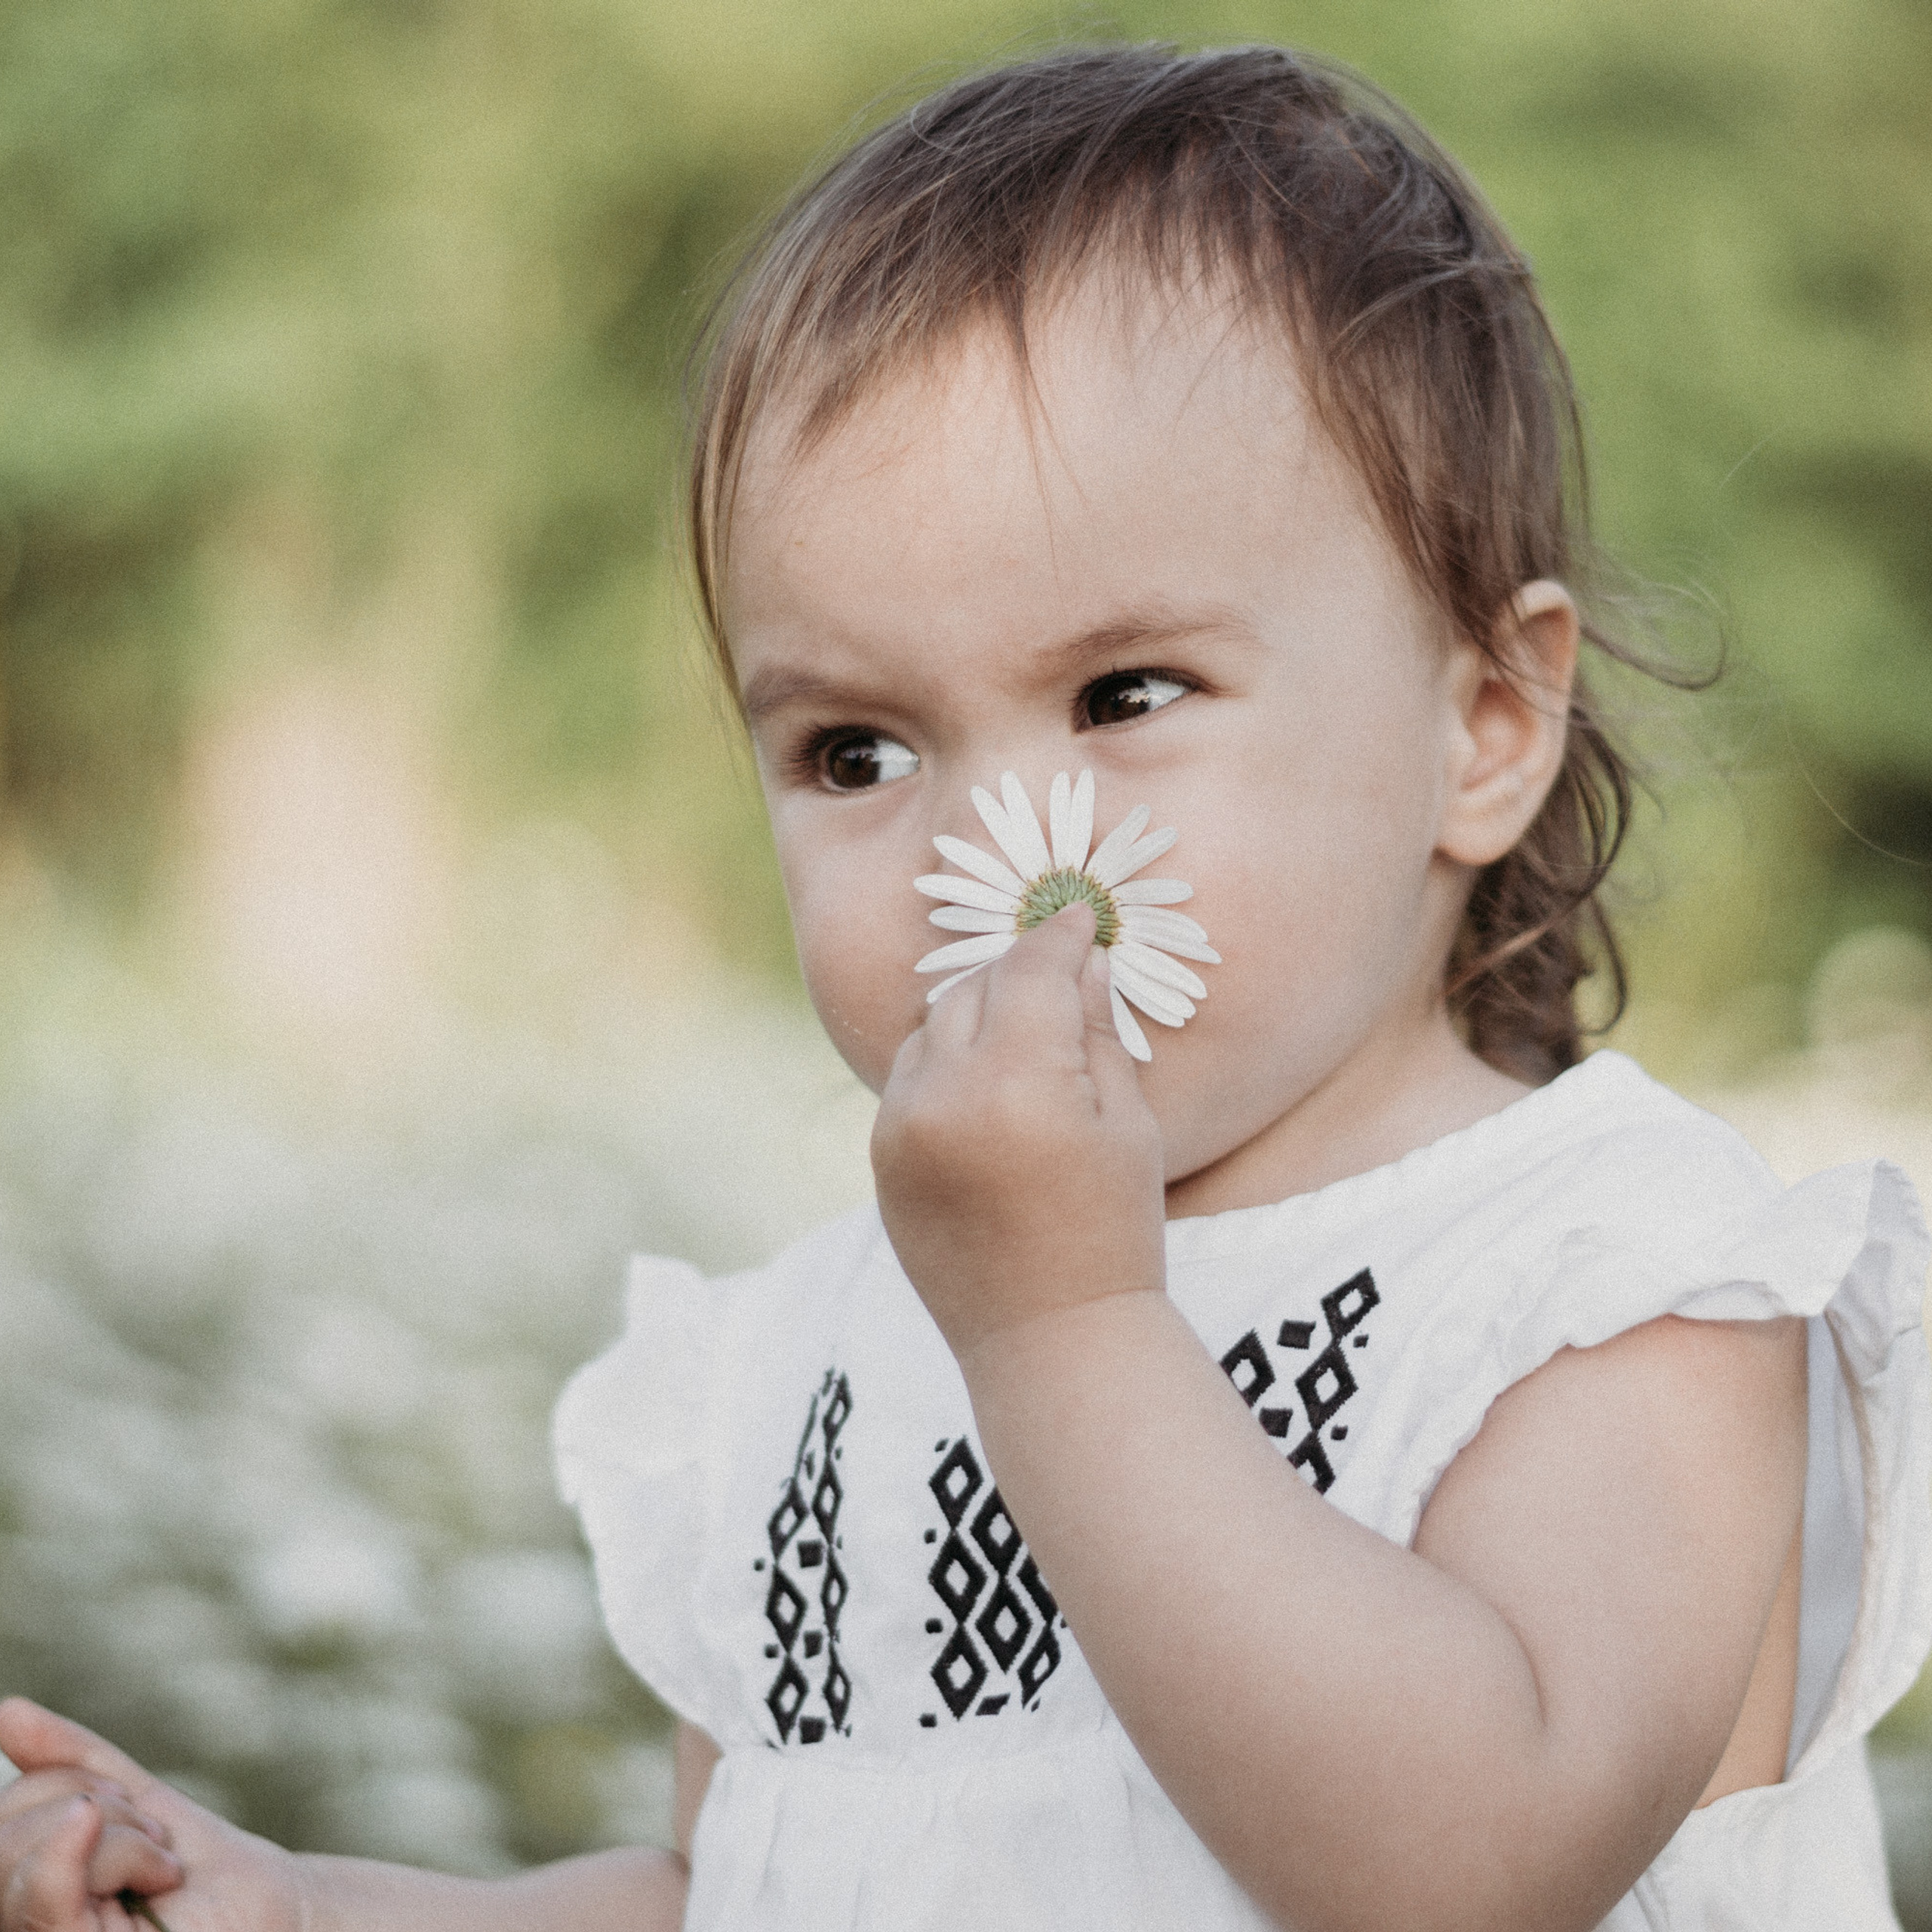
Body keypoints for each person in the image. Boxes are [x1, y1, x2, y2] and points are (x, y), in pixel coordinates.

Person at [2, 41, 1927, 1932]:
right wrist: (315, 1906)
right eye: (853, 749)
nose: (991, 845)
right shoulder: (800, 1361)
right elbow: (736, 1881)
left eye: (1124, 695)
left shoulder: (1608, 1278)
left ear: (1484, 723)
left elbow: (1467, 1868)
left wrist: (1066, 1331)